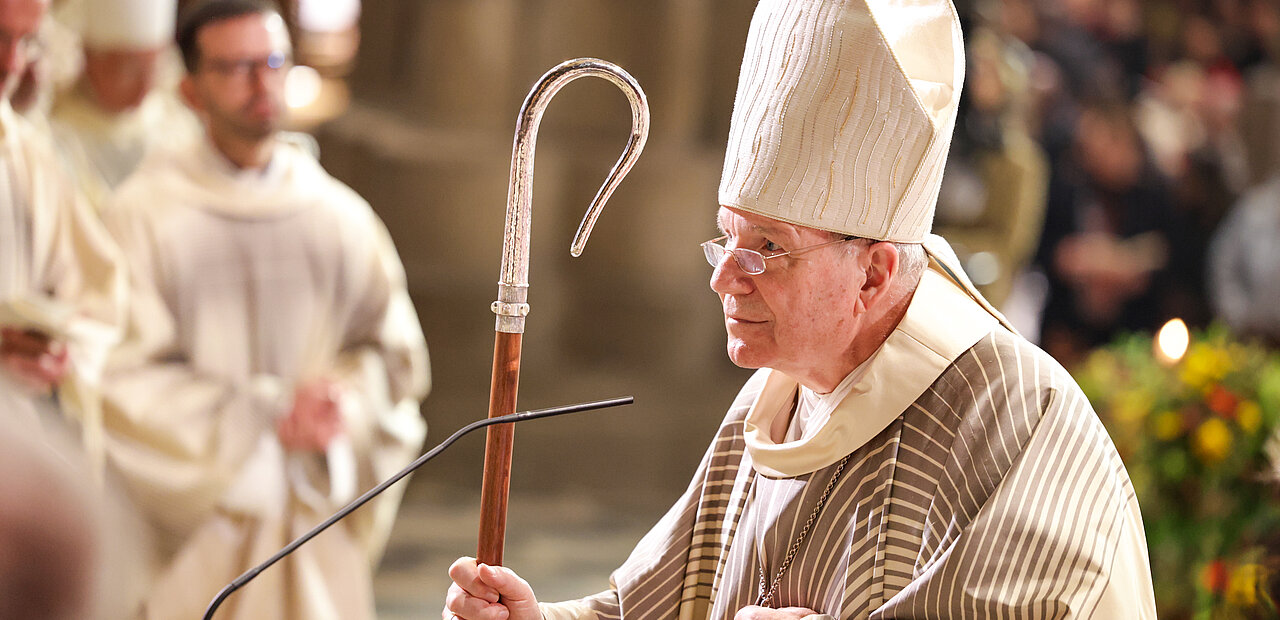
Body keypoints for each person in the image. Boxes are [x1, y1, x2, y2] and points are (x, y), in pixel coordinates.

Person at [445, 0, 1158, 618]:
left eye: (766, 247)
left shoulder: (1018, 421)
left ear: (873, 273)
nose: (725, 277)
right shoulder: (774, 398)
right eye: (726, 236)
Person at [98, 0, 430, 617]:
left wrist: (343, 407)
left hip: (313, 516)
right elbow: (115, 377)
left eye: (273, 61)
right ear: (191, 90)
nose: (262, 83)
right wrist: (266, 416)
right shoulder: (144, 217)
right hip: (204, 529)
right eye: (237, 67)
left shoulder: (337, 215)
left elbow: (393, 355)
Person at [0, 0, 126, 447]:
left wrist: (56, 352)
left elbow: (97, 298)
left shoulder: (26, 156)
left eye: (28, 41)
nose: (12, 63)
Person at [49, 0, 199, 211]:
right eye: (129, 71)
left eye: (153, 70)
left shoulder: (178, 127)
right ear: (90, 60)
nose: (143, 88)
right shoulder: (54, 136)